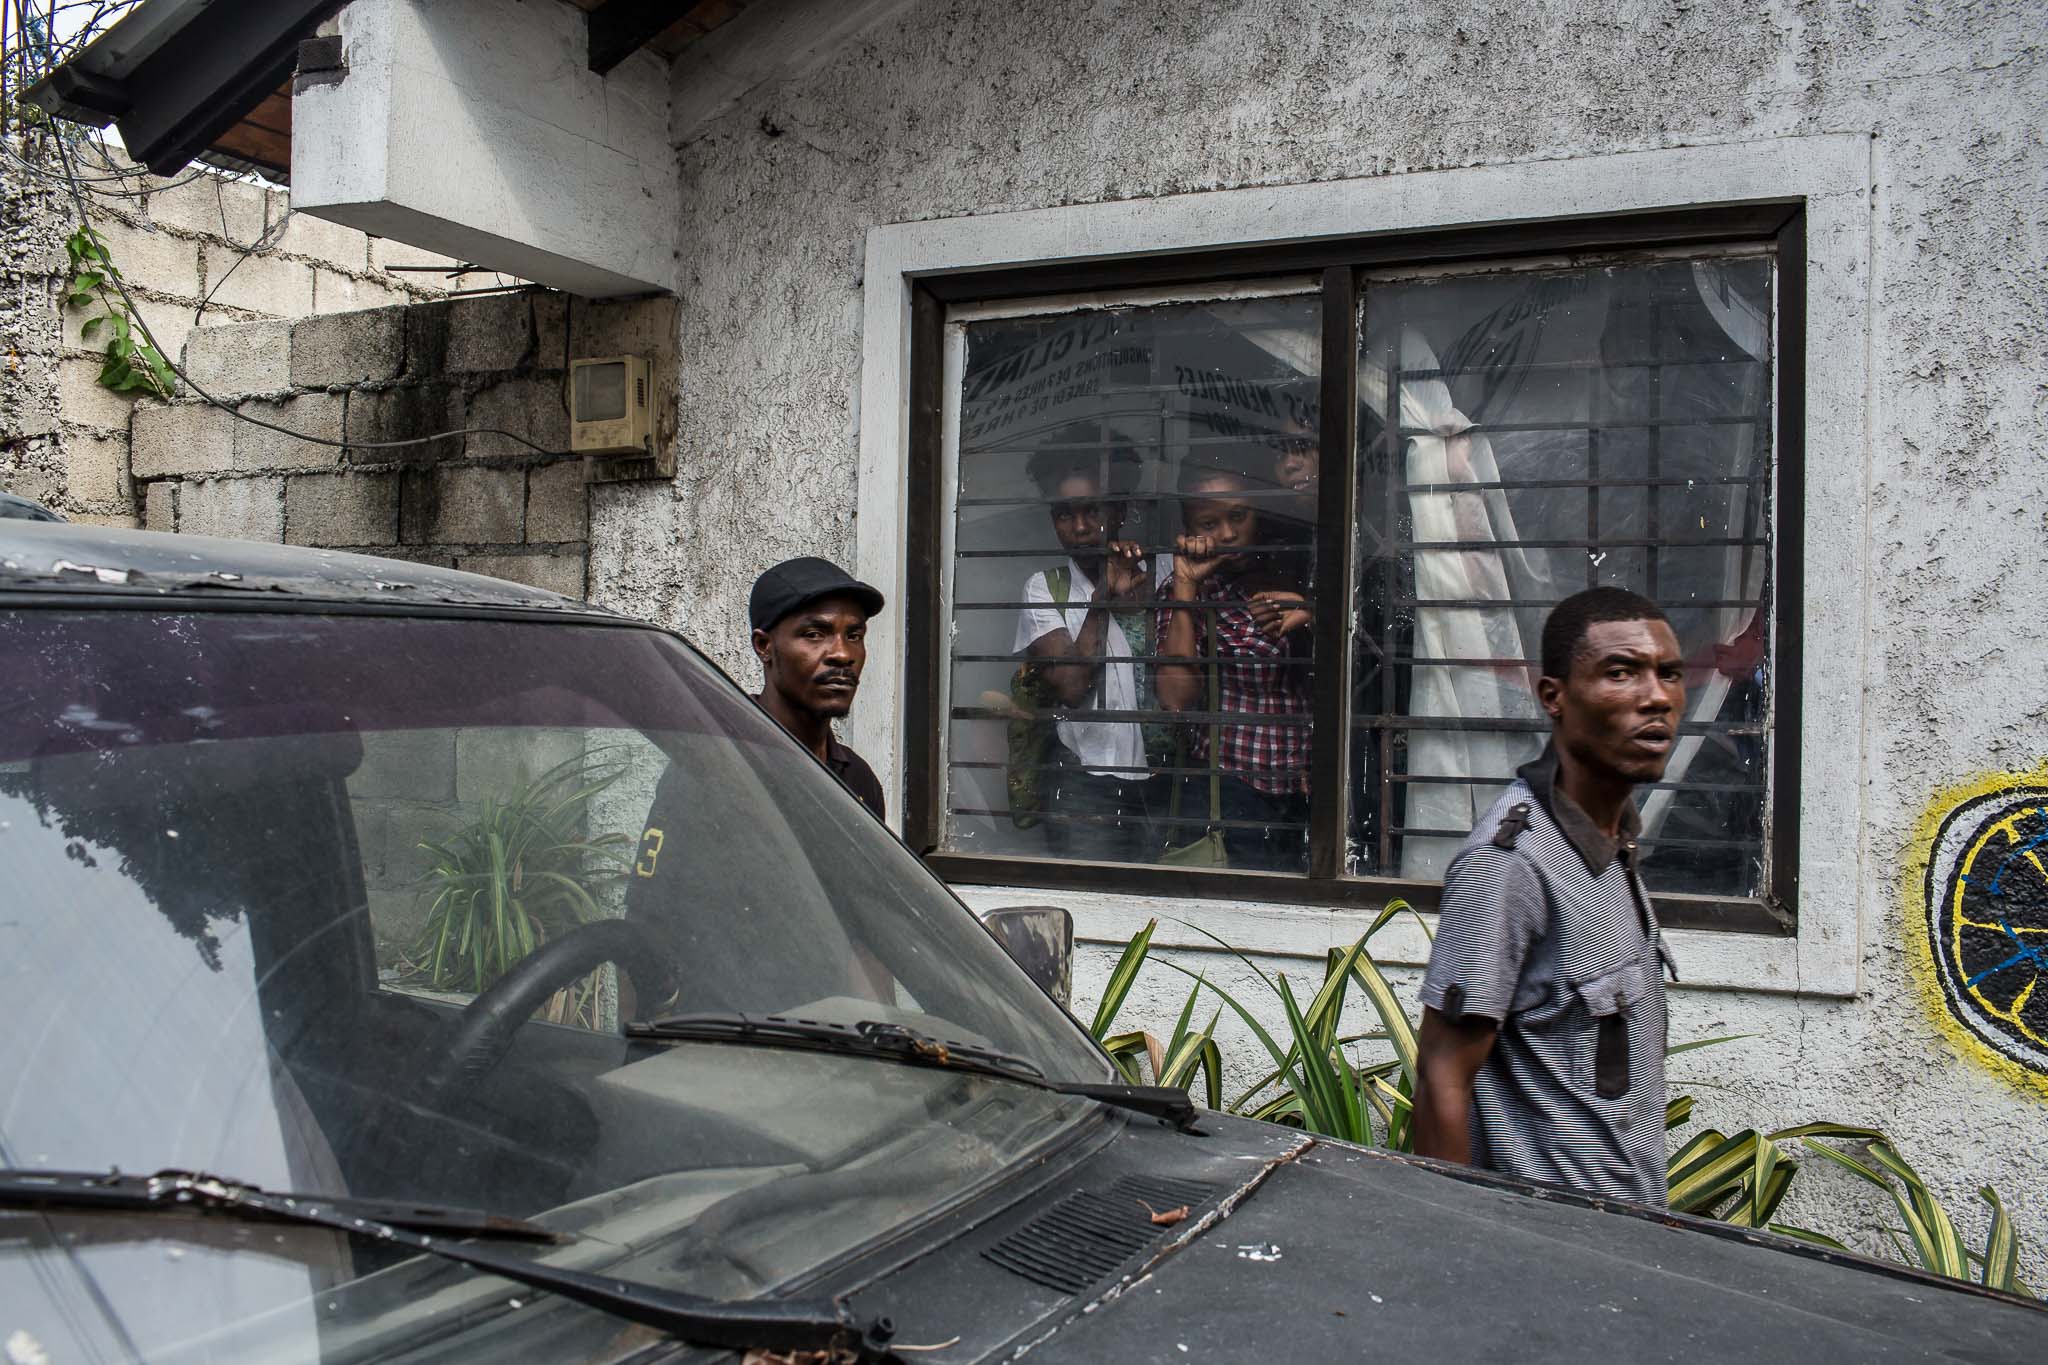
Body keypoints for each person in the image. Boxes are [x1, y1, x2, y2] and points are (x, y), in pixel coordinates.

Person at [1410, 586, 1684, 1205]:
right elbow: (1441, 1076)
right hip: (1546, 1244)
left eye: (1668, 674)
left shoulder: (1613, 841)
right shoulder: (1511, 863)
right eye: (1621, 673)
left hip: (1624, 1228)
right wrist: (1453, 1243)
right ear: (1554, 697)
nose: (1657, 697)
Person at [1155, 462, 1313, 871]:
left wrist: (1312, 616)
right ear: (1189, 530)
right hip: (1231, 793)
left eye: (1238, 516)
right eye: (1209, 523)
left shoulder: (1300, 567)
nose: (1227, 534)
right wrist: (1187, 588)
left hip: (1304, 793)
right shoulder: (1186, 592)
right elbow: (1175, 698)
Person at [1013, 446, 1164, 862]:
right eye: (1064, 514)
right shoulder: (1045, 589)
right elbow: (1071, 688)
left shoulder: (1162, 573)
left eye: (1092, 511)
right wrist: (1102, 601)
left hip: (1166, 784)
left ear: (1118, 512)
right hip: (1083, 787)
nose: (1079, 526)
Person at [747, 556, 888, 820]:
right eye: (814, 634)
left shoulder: (859, 780)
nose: (843, 654)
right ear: (764, 646)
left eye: (854, 636)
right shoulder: (720, 762)